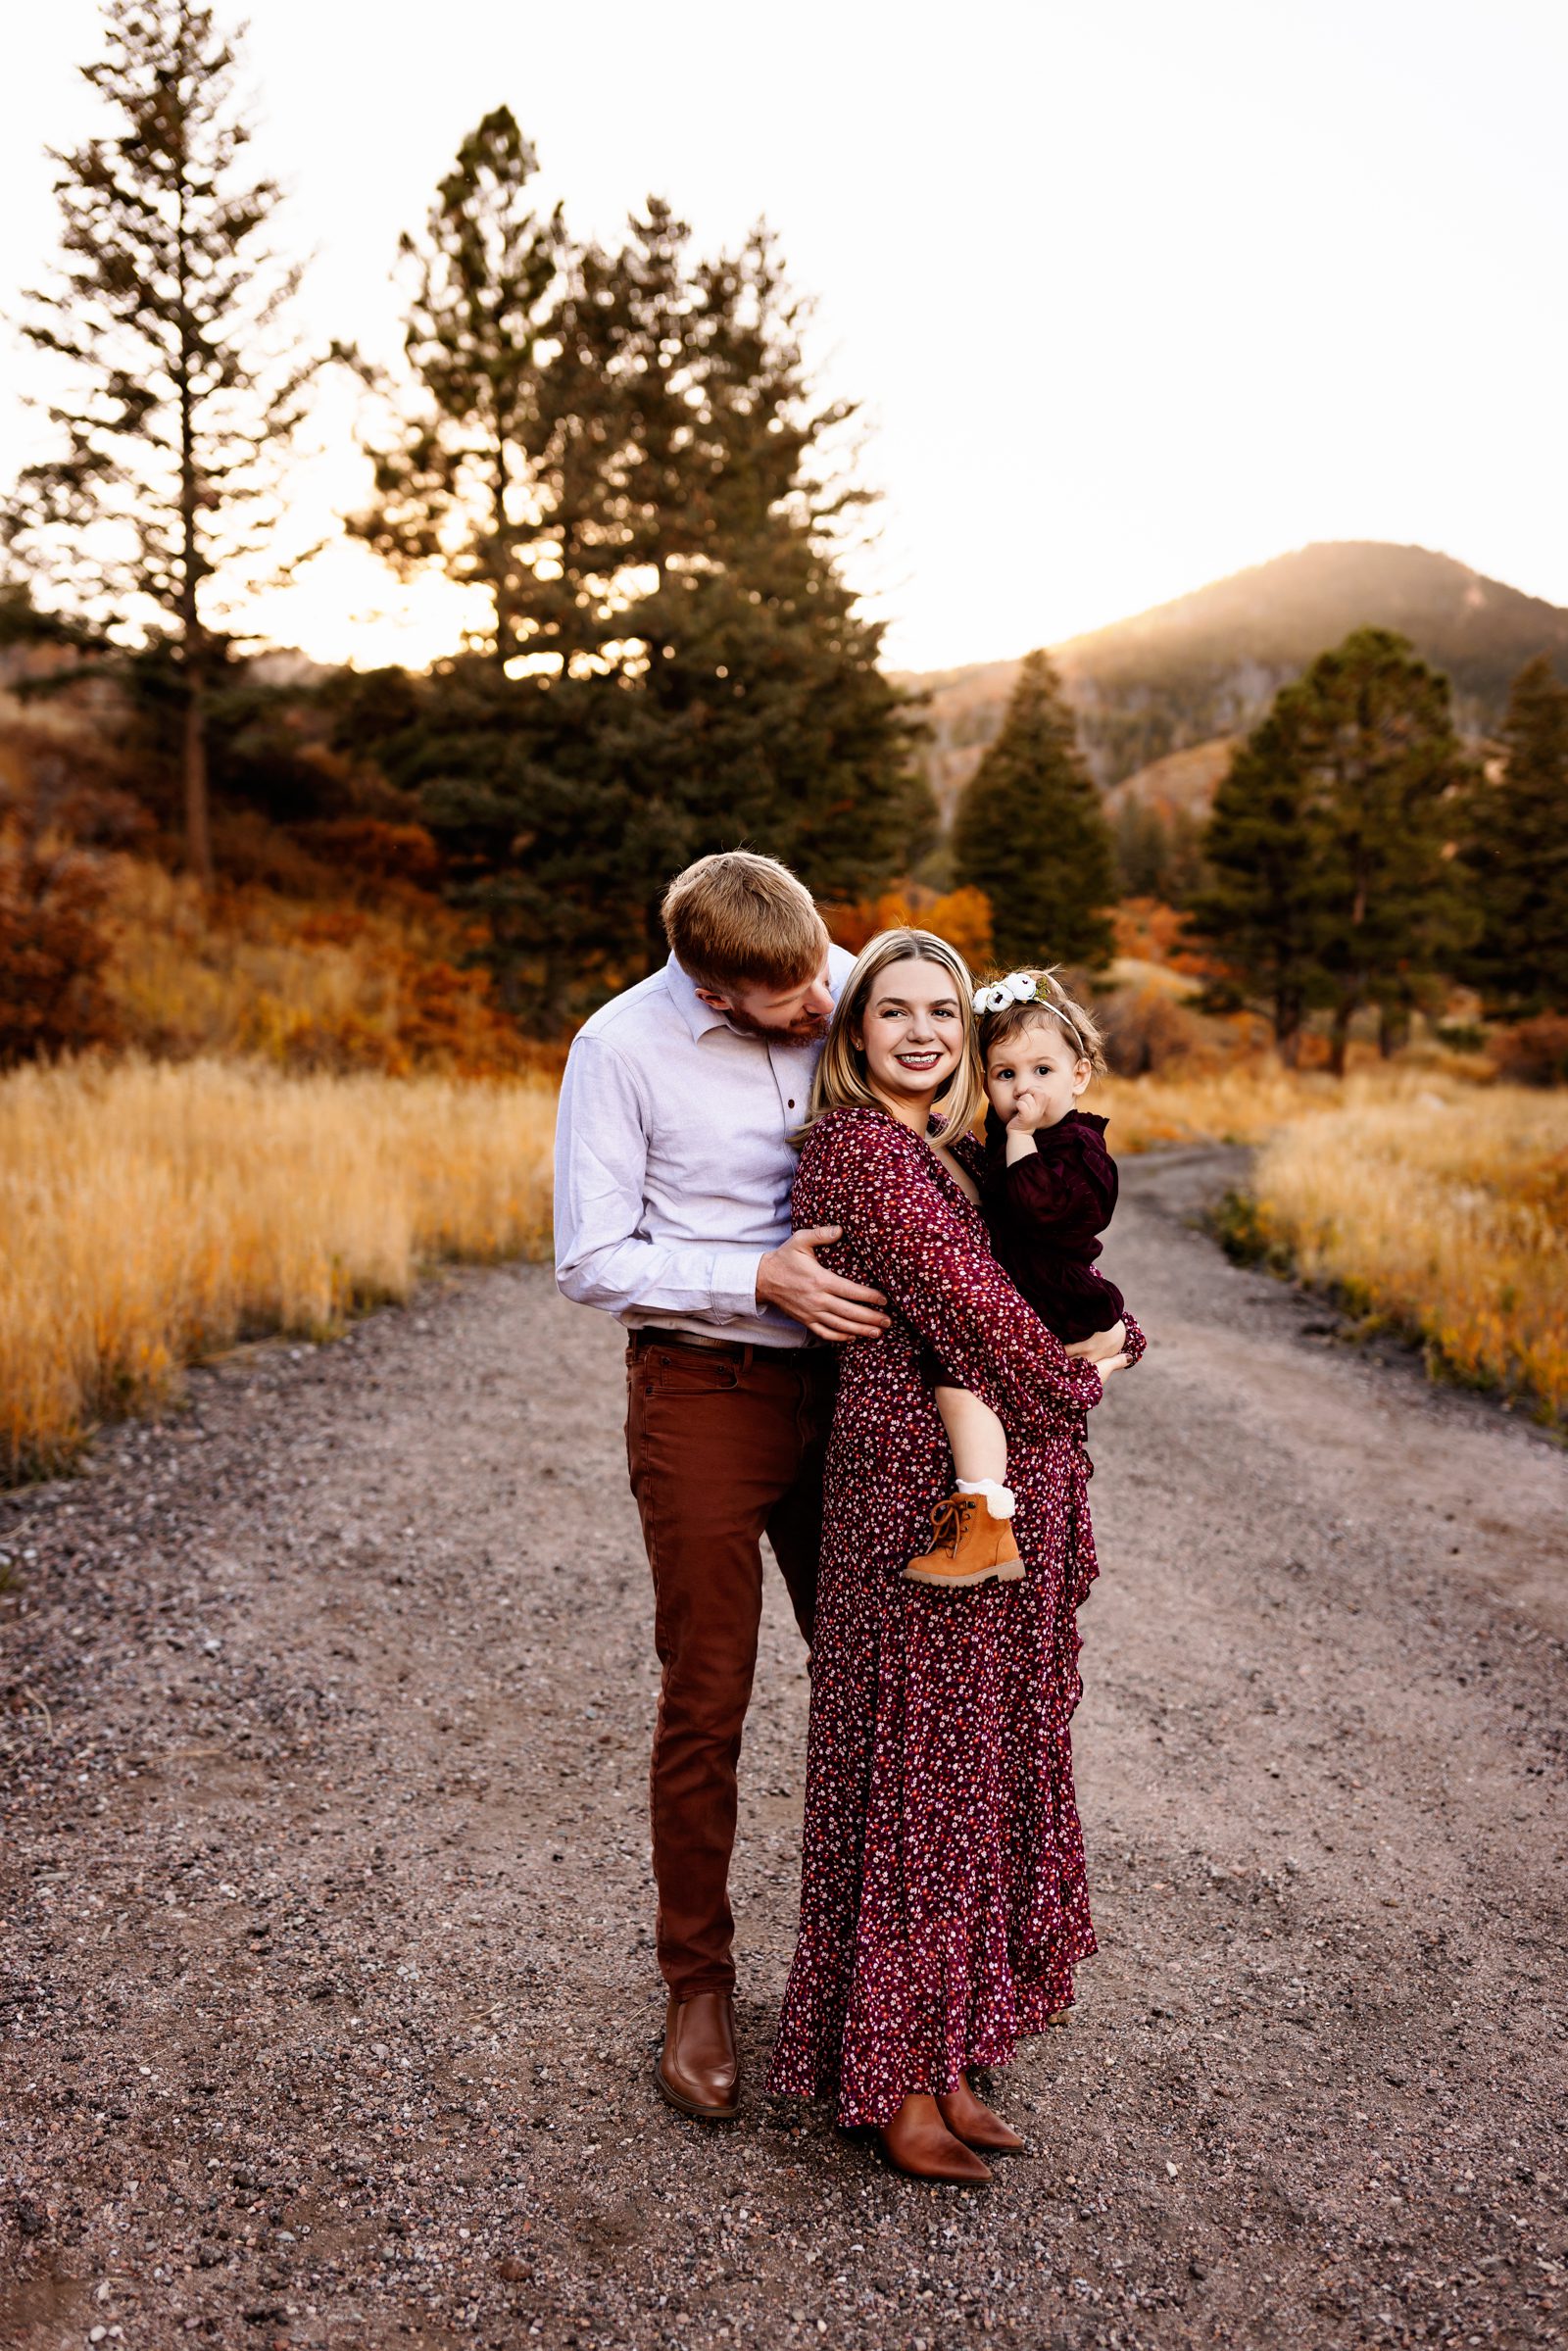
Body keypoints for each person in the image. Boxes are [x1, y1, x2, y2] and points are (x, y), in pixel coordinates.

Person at [765, 927, 1143, 2185]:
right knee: (916, 1781)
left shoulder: (957, 1154)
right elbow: (975, 1313)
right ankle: (889, 2074)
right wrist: (1078, 1372)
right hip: (906, 1501)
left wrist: (1110, 1324)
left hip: (984, 1485)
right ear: (855, 1033)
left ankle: (948, 2048)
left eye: (943, 1009)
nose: (923, 1029)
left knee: (969, 1778)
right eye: (895, 1010)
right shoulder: (861, 1152)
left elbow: (1037, 1279)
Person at [554, 851, 890, 2126]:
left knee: (877, 1672)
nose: (822, 1005)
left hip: (864, 1391)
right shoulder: (620, 1045)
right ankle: (698, 1983)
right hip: (706, 1387)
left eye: (823, 972)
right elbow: (589, 1256)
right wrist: (759, 1275)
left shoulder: (845, 978)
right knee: (708, 1690)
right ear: (709, 985)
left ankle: (884, 1974)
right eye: (789, 996)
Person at [905, 965, 1126, 1591]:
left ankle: (982, 1517)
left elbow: (1039, 1211)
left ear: (1079, 1074)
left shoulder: (1079, 1147)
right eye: (1005, 1075)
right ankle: (1095, 1371)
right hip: (1033, 1291)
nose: (1022, 1089)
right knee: (973, 1383)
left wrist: (1021, 1137)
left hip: (1053, 1294)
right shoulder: (1007, 1137)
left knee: (960, 1377)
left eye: (1042, 1071)